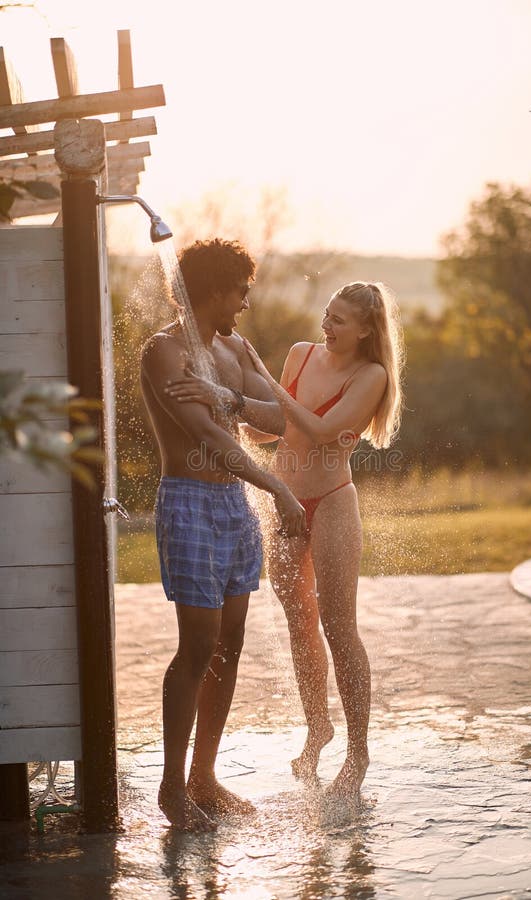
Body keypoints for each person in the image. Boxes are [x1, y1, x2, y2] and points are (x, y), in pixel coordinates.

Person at [166, 281, 404, 801]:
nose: (327, 324)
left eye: (340, 320)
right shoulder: (300, 354)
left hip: (332, 504)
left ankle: (358, 753)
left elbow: (319, 430)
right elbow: (270, 431)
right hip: (285, 505)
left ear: (366, 329)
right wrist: (225, 400)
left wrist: (255, 389)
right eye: (327, 313)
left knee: (340, 628)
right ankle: (318, 728)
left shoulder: (372, 375)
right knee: (301, 622)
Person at [140, 238, 306, 832]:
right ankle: (169, 788)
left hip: (234, 504)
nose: (244, 304)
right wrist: (279, 490)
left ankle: (203, 778)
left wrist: (229, 396)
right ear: (213, 290)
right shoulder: (164, 352)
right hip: (189, 502)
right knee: (197, 646)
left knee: (229, 644)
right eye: (239, 292)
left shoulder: (238, 348)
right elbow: (211, 436)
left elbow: (276, 418)